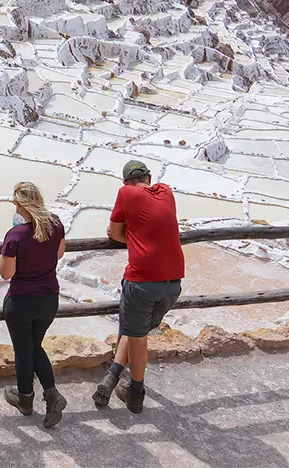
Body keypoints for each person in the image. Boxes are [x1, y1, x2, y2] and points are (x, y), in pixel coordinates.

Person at [93, 160, 184, 413]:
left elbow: (115, 233)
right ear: (150, 177)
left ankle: (136, 392)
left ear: (125, 183)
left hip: (142, 280)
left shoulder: (126, 194)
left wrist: (132, 238)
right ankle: (111, 377)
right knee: (136, 330)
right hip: (173, 284)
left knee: (137, 336)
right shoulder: (166, 191)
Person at [0, 182, 68, 428]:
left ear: (19, 205)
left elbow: (6, 273)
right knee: (34, 346)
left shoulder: (15, 235)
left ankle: (26, 398)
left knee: (24, 349)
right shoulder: (56, 224)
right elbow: (58, 254)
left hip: (21, 301)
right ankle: (50, 394)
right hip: (49, 298)